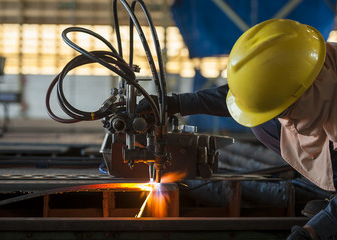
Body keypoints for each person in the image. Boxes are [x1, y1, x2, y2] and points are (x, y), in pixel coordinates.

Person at [138, 18, 337, 240]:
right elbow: (246, 97)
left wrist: (312, 232)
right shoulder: (313, 60)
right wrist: (175, 104)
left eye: (282, 109)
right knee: (261, 121)